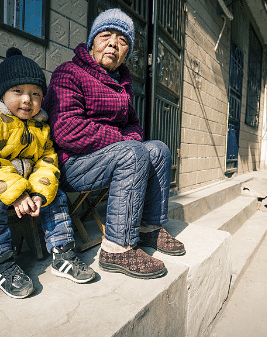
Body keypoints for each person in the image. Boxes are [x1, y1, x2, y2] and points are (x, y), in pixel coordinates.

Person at [42, 8, 185, 280]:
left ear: (127, 52)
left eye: (122, 41)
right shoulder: (68, 73)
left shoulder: (122, 83)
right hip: (71, 164)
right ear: (92, 42)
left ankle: (148, 228)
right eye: (105, 35)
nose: (113, 43)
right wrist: (123, 141)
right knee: (132, 152)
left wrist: (128, 140)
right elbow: (67, 130)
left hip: (108, 158)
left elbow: (133, 125)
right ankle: (116, 248)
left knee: (158, 150)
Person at [0, 47, 95, 299]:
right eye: (18, 91)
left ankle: (63, 253)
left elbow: (48, 160)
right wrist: (15, 192)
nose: (27, 100)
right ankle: (1, 265)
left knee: (55, 193)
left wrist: (39, 192)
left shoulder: (41, 127)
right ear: (2, 93)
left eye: (36, 94)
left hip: (24, 187)